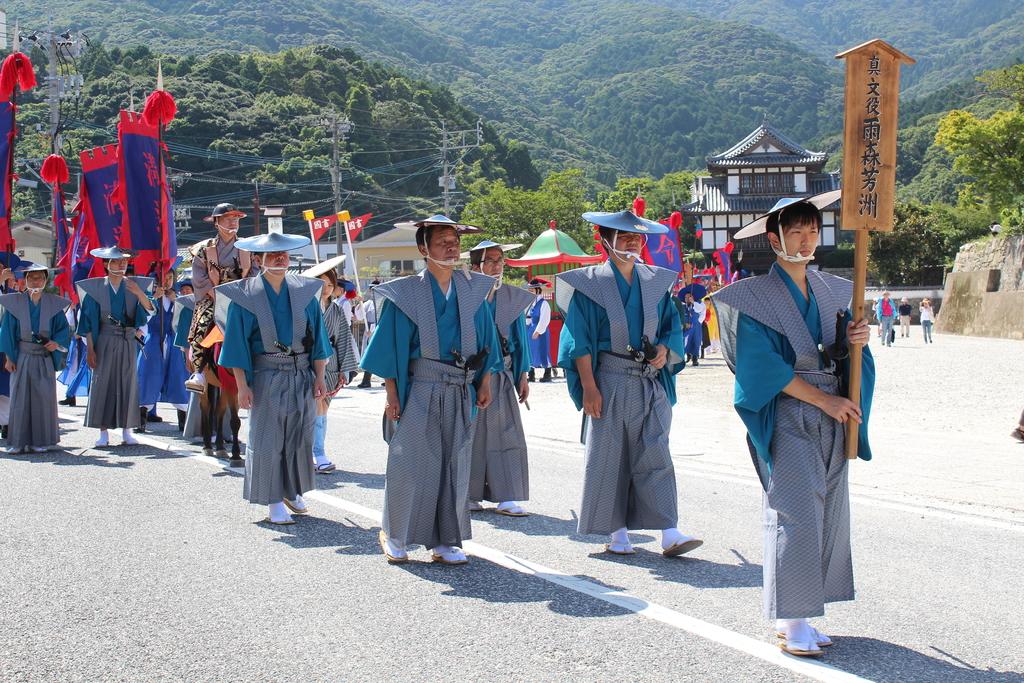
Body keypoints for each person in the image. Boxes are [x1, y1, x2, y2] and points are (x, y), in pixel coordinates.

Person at [710, 190, 874, 658]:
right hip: (792, 412)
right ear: (773, 237)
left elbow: (841, 352)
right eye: (795, 231)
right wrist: (823, 399)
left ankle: (810, 607)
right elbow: (761, 369)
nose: (805, 241)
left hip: (834, 410)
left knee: (829, 513)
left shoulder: (832, 289)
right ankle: (790, 616)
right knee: (795, 512)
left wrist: (855, 340)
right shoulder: (754, 296)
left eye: (812, 231)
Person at [557, 209, 703, 558]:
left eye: (637, 237)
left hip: (649, 381)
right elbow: (579, 339)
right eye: (623, 237)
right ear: (605, 241)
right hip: (608, 379)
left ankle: (669, 530)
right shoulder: (589, 284)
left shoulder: (655, 282)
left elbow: (670, 325)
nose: (632, 242)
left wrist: (665, 349)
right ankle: (617, 530)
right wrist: (589, 387)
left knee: (656, 452)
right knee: (610, 457)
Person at [360, 214, 502, 565]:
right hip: (420, 385)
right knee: (411, 461)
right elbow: (389, 346)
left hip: (460, 387)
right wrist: (391, 394)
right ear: (423, 248)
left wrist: (484, 380)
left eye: (454, 241)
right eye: (442, 241)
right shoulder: (405, 293)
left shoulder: (473, 290)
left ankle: (446, 539)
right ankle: (395, 532)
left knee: (455, 463)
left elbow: (487, 340)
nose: (451, 247)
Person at [216, 231, 331, 525]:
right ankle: (272, 499)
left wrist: (320, 377)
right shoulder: (245, 296)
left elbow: (318, 340)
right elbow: (237, 344)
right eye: (272, 255)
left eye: (284, 254)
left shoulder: (306, 292)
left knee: (298, 434)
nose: (280, 258)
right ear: (259, 259)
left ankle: (292, 490)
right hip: (266, 374)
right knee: (268, 437)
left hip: (301, 372)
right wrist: (242, 386)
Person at [465, 240, 534, 516]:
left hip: (503, 375)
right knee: (470, 436)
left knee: (507, 435)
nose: (497, 265)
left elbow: (520, 339)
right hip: (471, 377)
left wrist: (523, 374)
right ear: (475, 266)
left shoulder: (511, 297)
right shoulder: (465, 295)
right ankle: (469, 494)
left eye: (500, 260)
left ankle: (507, 496)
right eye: (490, 261)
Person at [77, 247, 156, 447]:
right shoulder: (95, 289)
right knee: (103, 382)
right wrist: (91, 349)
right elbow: (88, 322)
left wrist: (139, 292)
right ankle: (103, 432)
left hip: (127, 340)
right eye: (116, 261)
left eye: (124, 261)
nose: (121, 264)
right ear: (106, 264)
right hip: (103, 338)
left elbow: (149, 310)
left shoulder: (134, 285)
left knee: (127, 383)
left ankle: (127, 430)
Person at [0, 263, 72, 453]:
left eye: (39, 277)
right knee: (19, 398)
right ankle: (17, 442)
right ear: (26, 279)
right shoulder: (15, 302)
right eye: (31, 277)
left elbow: (63, 330)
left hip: (43, 357)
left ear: (46, 280)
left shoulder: (53, 304)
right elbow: (7, 330)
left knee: (43, 398)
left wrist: (56, 343)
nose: (35, 281)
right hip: (22, 355)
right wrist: (9, 357)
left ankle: (41, 441)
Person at [185, 203, 253, 393]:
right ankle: (198, 372)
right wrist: (219, 298)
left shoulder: (248, 247)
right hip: (212, 296)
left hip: (242, 297)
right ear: (216, 222)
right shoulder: (203, 249)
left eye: (236, 218)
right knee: (204, 320)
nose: (233, 222)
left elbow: (254, 274)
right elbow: (200, 279)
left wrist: (241, 297)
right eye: (228, 218)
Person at [302, 259, 359, 473]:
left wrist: (345, 368)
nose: (325, 289)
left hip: (332, 364)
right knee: (318, 408)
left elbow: (343, 338)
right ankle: (317, 452)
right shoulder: (305, 307)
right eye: (320, 284)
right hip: (310, 364)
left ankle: (315, 452)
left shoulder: (335, 310)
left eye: (329, 284)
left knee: (323, 409)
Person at [136, 267, 190, 433]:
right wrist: (153, 299)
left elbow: (187, 318)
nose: (167, 281)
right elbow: (142, 319)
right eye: (163, 278)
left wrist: (177, 301)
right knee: (148, 377)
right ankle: (141, 419)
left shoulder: (179, 298)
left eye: (170, 277)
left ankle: (183, 420)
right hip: (153, 340)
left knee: (179, 377)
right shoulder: (148, 298)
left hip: (174, 342)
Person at [526, 278, 553, 382]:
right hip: (530, 329)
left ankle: (547, 373)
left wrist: (538, 331)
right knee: (530, 351)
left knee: (543, 350)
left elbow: (545, 319)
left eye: (532, 289)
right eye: (530, 289)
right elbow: (528, 316)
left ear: (538, 289)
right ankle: (531, 374)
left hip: (541, 331)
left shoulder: (544, 303)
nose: (530, 291)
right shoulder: (530, 302)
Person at [355, 280, 381, 388]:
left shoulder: (384, 301)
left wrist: (374, 329)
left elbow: (382, 319)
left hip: (380, 331)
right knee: (369, 355)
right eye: (371, 289)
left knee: (383, 355)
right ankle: (366, 379)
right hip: (369, 332)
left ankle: (389, 379)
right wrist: (360, 304)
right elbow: (360, 316)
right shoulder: (368, 303)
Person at [682, 291, 704, 366]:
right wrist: (684, 324)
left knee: (696, 341)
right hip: (686, 327)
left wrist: (693, 302)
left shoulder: (698, 303)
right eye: (686, 297)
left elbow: (701, 310)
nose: (687, 299)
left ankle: (695, 358)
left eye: (689, 297)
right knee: (686, 341)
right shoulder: (683, 306)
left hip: (696, 326)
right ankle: (687, 355)